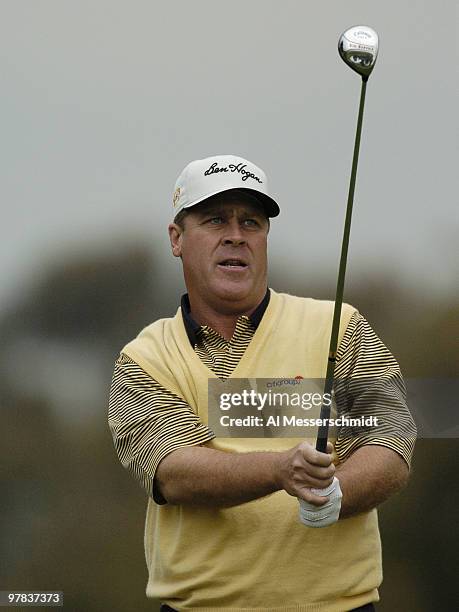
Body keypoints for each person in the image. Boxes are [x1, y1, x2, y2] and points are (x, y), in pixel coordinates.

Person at [108, 154, 416, 611]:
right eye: (215, 219)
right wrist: (280, 471)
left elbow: (392, 437)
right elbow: (173, 472)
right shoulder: (146, 357)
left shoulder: (338, 325)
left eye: (251, 222)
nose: (236, 235)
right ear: (176, 238)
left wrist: (337, 494)